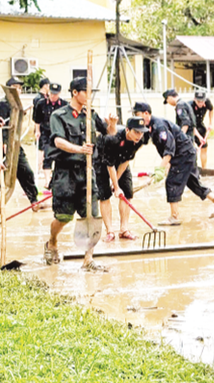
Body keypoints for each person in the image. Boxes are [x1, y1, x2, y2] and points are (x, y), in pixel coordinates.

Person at [46, 77, 118, 272]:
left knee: (91, 216)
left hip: (87, 171)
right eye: (86, 91)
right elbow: (58, 141)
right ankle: (52, 241)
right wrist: (80, 149)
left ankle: (88, 259)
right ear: (75, 93)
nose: (89, 95)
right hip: (65, 173)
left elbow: (109, 135)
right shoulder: (59, 115)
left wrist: (112, 125)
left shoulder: (90, 115)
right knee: (63, 216)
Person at [132, 102, 214, 225]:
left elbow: (169, 148)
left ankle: (174, 217)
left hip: (183, 155)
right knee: (193, 183)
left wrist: (161, 168)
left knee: (172, 182)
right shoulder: (149, 127)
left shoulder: (159, 126)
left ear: (146, 113)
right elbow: (143, 142)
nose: (136, 117)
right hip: (186, 153)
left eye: (137, 114)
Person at [94, 117, 149, 241]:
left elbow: (126, 160)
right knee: (104, 195)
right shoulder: (113, 139)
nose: (139, 135)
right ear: (127, 130)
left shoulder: (140, 140)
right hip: (102, 161)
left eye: (141, 132)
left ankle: (124, 229)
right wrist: (115, 186)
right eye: (136, 132)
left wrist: (117, 184)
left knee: (127, 192)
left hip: (122, 161)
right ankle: (110, 231)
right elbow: (110, 165)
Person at [1, 77, 42, 211]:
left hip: (15, 144)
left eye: (20, 88)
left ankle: (33, 200)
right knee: (4, 177)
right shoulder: (2, 104)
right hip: (4, 145)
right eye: (16, 87)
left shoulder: (16, 105)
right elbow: (4, 126)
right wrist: (3, 144)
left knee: (26, 172)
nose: (18, 90)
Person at [33, 82, 67, 190]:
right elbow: (37, 119)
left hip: (60, 134)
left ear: (59, 94)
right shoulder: (41, 104)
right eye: (51, 93)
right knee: (47, 155)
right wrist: (37, 131)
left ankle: (59, 179)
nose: (53, 96)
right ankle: (47, 181)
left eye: (55, 94)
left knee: (61, 156)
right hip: (46, 133)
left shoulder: (64, 105)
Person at [192, 90, 214, 168]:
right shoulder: (190, 106)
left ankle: (204, 169)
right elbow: (191, 126)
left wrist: (210, 123)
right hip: (190, 127)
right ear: (194, 99)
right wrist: (199, 137)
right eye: (198, 101)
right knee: (191, 149)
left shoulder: (207, 102)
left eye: (202, 101)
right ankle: (192, 168)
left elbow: (211, 110)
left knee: (204, 147)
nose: (200, 103)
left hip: (200, 124)